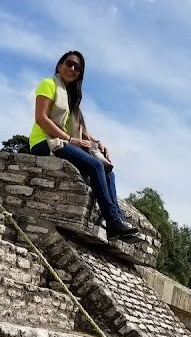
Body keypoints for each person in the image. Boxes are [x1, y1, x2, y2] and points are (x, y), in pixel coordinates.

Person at [28, 51, 138, 239]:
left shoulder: (71, 97)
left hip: (61, 141)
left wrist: (97, 143)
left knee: (108, 171)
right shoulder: (48, 84)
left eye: (77, 68)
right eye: (69, 64)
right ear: (59, 65)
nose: (72, 69)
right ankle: (112, 221)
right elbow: (41, 118)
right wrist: (71, 140)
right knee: (95, 165)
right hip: (43, 142)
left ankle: (117, 222)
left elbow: (80, 129)